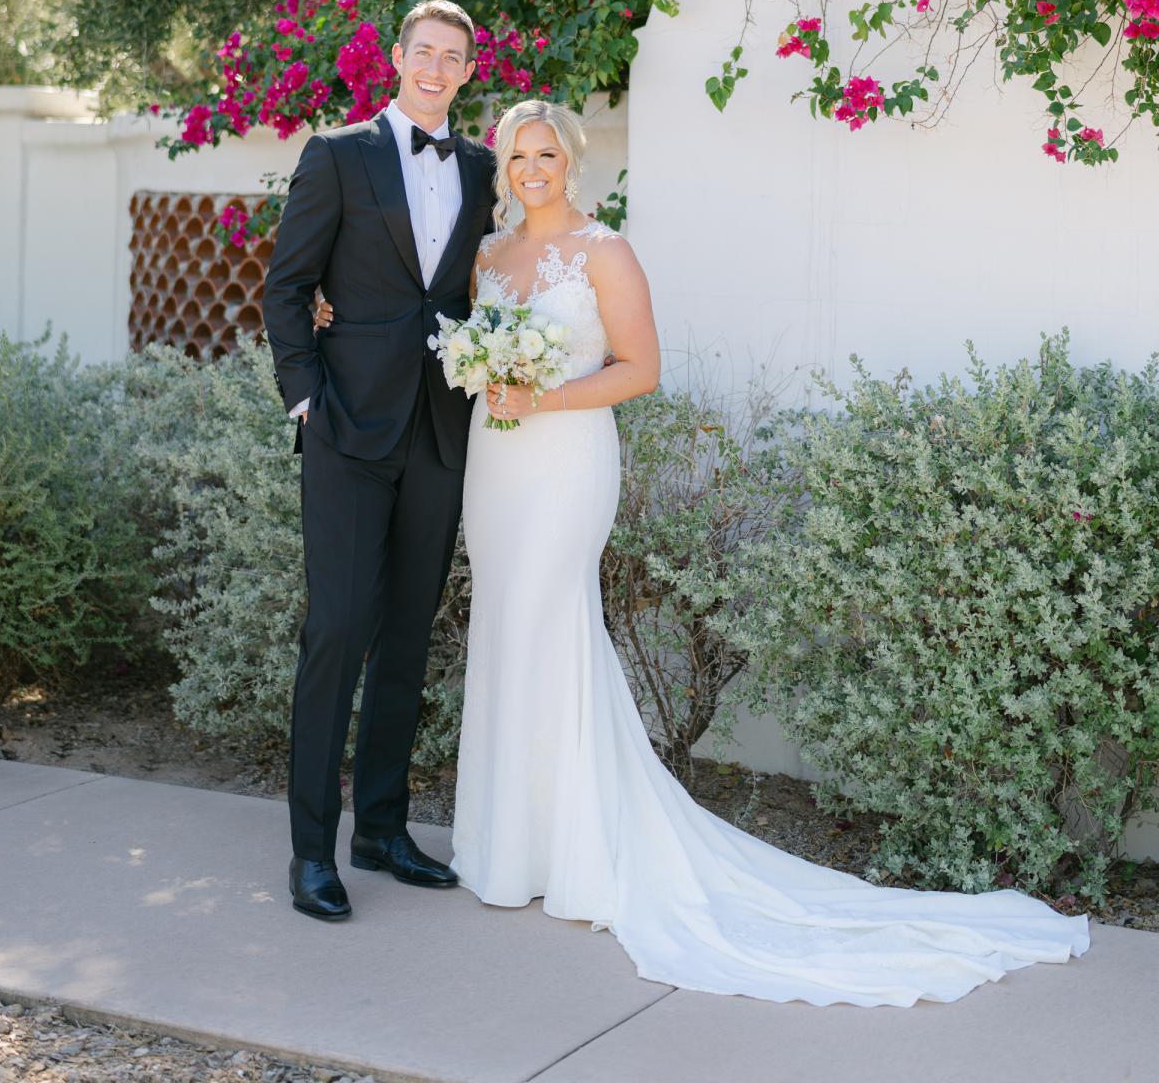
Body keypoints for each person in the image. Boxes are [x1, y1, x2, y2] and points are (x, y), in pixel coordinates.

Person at [313, 98, 1091, 1005]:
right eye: (517, 156)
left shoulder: (606, 252)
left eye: (546, 155)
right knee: (503, 630)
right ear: (504, 167)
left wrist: (546, 397)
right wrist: (337, 314)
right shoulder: (487, 257)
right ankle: (506, 849)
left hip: (564, 461)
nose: (531, 170)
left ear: (571, 160)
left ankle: (577, 850)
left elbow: (640, 369)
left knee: (550, 621)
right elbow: (423, 320)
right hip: (494, 464)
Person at [262, 0, 495, 921]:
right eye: (423, 52)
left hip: (440, 433)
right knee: (338, 631)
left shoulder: (481, 169)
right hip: (347, 433)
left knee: (406, 636)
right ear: (397, 57)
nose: (435, 69)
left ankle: (383, 829)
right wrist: (306, 397)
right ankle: (311, 851)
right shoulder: (338, 154)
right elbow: (288, 287)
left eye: (453, 58)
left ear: (469, 72)